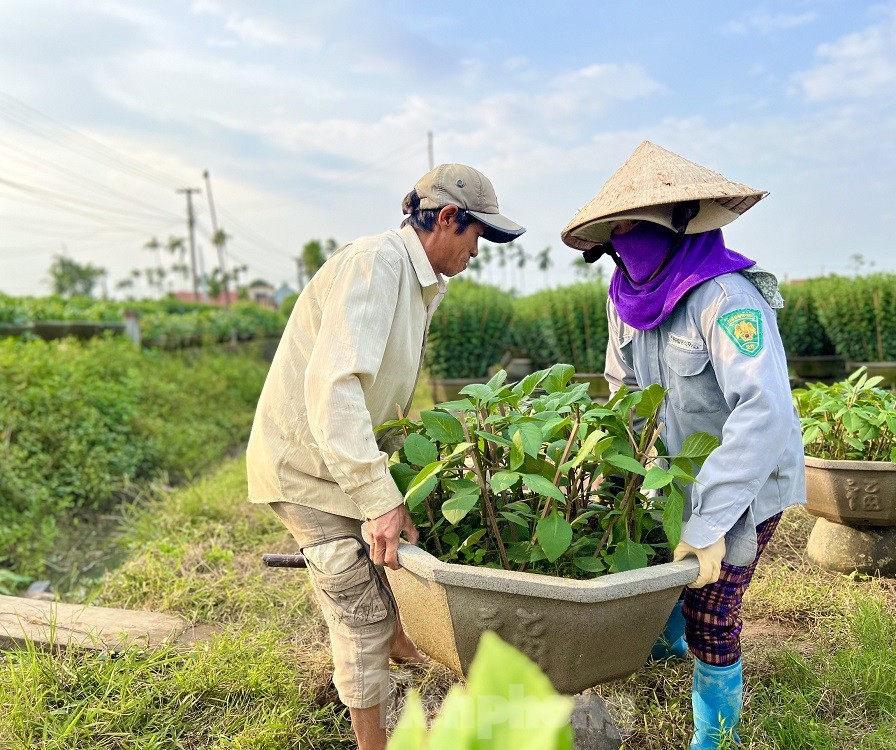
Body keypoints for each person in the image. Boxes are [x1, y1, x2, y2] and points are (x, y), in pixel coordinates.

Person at [246, 163, 524, 750]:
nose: (479, 251)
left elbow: (382, 392)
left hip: (341, 458)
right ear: (448, 218)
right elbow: (335, 389)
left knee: (394, 555)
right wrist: (378, 500)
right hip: (307, 468)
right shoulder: (376, 263)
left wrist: (394, 488)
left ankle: (398, 643)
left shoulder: (417, 280)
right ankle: (372, 738)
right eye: (479, 235)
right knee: (360, 613)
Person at [561, 141, 806, 750]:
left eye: (632, 227)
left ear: (678, 223)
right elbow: (624, 397)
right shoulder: (626, 297)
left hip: (747, 477)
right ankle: (670, 647)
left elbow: (764, 414)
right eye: (615, 233)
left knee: (714, 605)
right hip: (675, 476)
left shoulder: (726, 300)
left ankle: (715, 736)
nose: (624, 243)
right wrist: (607, 483)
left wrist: (710, 521)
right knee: (667, 568)